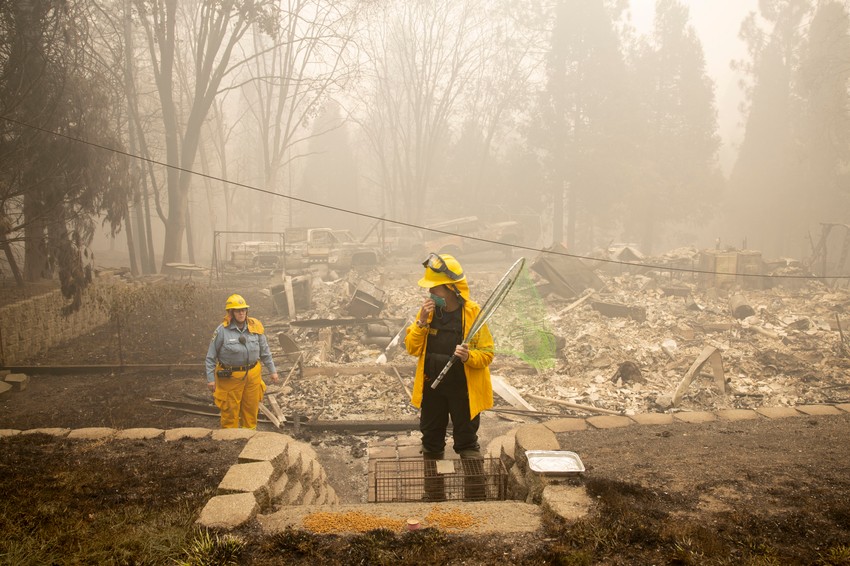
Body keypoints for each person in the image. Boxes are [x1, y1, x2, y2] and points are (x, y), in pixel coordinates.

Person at [404, 253, 494, 501]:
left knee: (466, 440)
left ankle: (475, 495)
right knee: (431, 440)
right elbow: (412, 348)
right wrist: (421, 322)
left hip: (463, 390)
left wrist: (468, 357)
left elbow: (487, 354)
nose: (432, 293)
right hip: (432, 388)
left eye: (436, 289)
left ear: (453, 289)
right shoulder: (428, 313)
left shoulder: (474, 314)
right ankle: (434, 494)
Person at [205, 294, 279, 429]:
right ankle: (230, 439)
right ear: (230, 312)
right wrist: (211, 379)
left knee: (251, 408)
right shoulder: (222, 331)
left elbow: (265, 351)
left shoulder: (255, 327)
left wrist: (272, 371)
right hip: (230, 377)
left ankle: (249, 436)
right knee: (230, 410)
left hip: (253, 375)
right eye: (237, 310)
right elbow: (211, 356)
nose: (241, 313)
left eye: (243, 309)